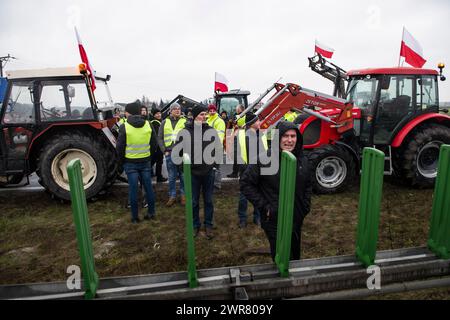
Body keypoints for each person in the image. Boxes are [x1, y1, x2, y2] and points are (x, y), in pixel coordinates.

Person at [240, 121, 312, 261]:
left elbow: (308, 184)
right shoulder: (264, 159)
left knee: (295, 252)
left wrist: (305, 206)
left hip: (296, 215)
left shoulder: (302, 159)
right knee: (281, 256)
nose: (290, 140)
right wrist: (265, 207)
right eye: (285, 136)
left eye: (293, 136)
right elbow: (246, 184)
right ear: (277, 138)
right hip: (274, 217)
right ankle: (282, 280)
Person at [175, 105, 219, 239]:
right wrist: (183, 169)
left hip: (208, 172)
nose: (204, 116)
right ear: (194, 116)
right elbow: (178, 152)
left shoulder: (211, 131)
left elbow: (217, 148)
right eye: (201, 114)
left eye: (205, 114)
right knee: (193, 202)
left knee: (209, 201)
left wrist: (214, 165)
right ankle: (195, 226)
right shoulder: (185, 132)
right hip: (192, 173)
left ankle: (208, 225)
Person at [116, 102, 157, 223]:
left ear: (128, 112)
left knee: (133, 190)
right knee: (148, 188)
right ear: (139, 111)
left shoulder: (124, 126)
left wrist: (122, 162)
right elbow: (154, 144)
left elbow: (120, 148)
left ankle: (135, 217)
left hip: (130, 163)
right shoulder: (148, 124)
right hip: (145, 161)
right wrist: (149, 157)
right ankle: (151, 213)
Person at [236, 112, 266, 228]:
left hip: (259, 170)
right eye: (257, 121)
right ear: (252, 123)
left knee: (259, 195)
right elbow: (236, 153)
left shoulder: (261, 135)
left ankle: (257, 218)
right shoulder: (241, 135)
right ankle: (242, 219)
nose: (259, 122)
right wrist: (244, 167)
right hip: (246, 171)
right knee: (243, 196)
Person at [158, 102, 187, 206]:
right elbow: (160, 137)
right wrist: (164, 150)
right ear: (170, 111)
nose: (177, 110)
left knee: (183, 176)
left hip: (182, 153)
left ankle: (184, 195)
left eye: (179, 108)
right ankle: (172, 196)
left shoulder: (185, 121)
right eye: (175, 108)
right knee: (172, 176)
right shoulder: (164, 122)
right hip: (169, 153)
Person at [206, 104, 226, 189]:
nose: (212, 112)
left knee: (216, 166)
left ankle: (217, 185)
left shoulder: (219, 121)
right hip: (208, 147)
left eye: (213, 110)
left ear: (216, 111)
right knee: (210, 167)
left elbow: (220, 135)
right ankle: (211, 183)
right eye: (210, 111)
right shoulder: (208, 120)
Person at [227, 104, 246, 178]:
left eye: (237, 109)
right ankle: (236, 173)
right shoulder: (241, 116)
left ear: (240, 109)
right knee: (237, 156)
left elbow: (238, 124)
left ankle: (238, 173)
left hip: (240, 137)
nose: (236, 110)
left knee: (238, 156)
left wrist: (236, 123)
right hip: (236, 136)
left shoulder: (241, 116)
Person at [150, 109, 167, 182]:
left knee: (154, 161)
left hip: (157, 146)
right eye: (157, 114)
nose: (159, 115)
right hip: (157, 146)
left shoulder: (158, 122)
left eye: (159, 113)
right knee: (158, 162)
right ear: (154, 115)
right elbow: (157, 136)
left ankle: (158, 176)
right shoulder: (155, 123)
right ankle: (159, 177)